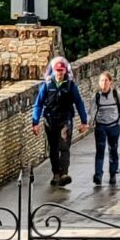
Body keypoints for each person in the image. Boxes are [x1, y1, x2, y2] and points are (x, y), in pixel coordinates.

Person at [32, 57, 89, 188]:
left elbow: (79, 103)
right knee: (53, 149)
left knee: (64, 146)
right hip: (50, 121)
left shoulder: (70, 86)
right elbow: (38, 104)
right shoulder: (47, 85)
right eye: (57, 71)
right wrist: (35, 122)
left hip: (65, 120)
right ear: (54, 71)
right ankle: (56, 174)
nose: (59, 73)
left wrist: (84, 121)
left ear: (65, 71)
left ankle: (64, 174)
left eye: (61, 71)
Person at [91, 69, 120, 186]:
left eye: (106, 81)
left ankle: (113, 174)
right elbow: (92, 111)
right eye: (101, 81)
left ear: (110, 82)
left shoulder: (116, 94)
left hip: (113, 126)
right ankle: (98, 175)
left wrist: (119, 122)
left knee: (113, 150)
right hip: (100, 127)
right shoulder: (96, 96)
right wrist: (90, 122)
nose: (104, 83)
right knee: (100, 151)